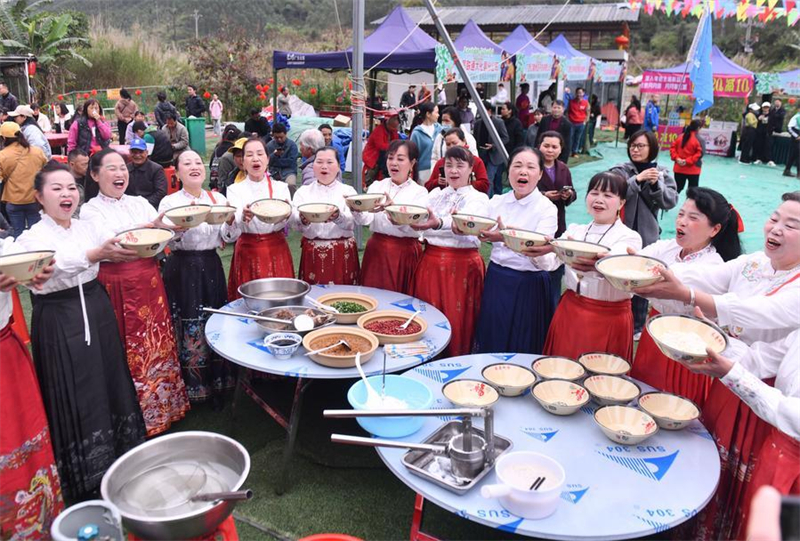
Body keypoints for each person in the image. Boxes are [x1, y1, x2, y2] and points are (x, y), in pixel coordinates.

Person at [632, 191, 800, 541]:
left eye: (792, 225)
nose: (777, 228)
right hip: (727, 378)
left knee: (741, 480)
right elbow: (705, 277)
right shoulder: (753, 262)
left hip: (763, 398)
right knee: (708, 463)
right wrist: (644, 271)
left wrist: (688, 297)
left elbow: (758, 313)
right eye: (775, 218)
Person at [13, 161, 147, 500]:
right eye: (56, 189)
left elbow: (116, 242)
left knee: (109, 378)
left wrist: (150, 229)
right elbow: (50, 266)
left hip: (96, 306)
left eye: (71, 187)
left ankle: (120, 454)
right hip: (59, 317)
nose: (67, 194)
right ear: (38, 197)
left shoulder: (87, 226)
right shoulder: (31, 237)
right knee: (73, 385)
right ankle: (85, 473)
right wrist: (94, 255)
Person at [80, 149, 190, 437]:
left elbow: (160, 231)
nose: (120, 174)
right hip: (116, 282)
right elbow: (110, 240)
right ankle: (133, 412)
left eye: (123, 168)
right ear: (94, 175)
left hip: (150, 279)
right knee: (126, 344)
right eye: (112, 169)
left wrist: (173, 228)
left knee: (157, 339)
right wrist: (148, 227)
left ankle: (166, 404)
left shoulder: (140, 202)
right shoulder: (91, 209)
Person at [676, 329, 799, 541]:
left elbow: (790, 414)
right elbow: (759, 359)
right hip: (775, 452)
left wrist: (731, 374)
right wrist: (709, 337)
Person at [628, 188, 741, 406]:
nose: (682, 222)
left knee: (673, 405)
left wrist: (638, 268)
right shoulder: (668, 247)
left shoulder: (714, 266)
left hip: (687, 346)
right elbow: (636, 259)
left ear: (715, 229)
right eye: (681, 214)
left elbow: (656, 273)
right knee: (642, 395)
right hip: (654, 334)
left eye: (693, 217)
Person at [529, 172, 642, 360]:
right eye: (594, 193)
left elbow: (617, 261)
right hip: (570, 310)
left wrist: (597, 264)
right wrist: (537, 251)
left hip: (609, 318)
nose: (599, 200)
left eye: (608, 195)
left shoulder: (629, 237)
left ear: (621, 203)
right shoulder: (575, 230)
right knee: (562, 371)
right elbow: (550, 262)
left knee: (600, 378)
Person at [159, 150, 240, 405]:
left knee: (214, 318)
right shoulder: (169, 203)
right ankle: (192, 385)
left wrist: (232, 221)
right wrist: (177, 231)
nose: (194, 167)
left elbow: (227, 237)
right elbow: (164, 240)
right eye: (187, 163)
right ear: (178, 172)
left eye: (198, 162)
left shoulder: (217, 198)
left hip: (210, 264)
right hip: (181, 267)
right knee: (187, 320)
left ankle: (220, 380)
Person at [0, 236, 63, 539]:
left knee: (22, 438)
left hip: (5, 353)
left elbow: (19, 256)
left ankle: (34, 518)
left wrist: (34, 269)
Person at [474, 147, 558, 354]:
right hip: (497, 278)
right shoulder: (497, 202)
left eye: (530, 167)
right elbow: (478, 225)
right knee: (493, 333)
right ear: (508, 171)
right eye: (517, 166)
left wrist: (505, 236)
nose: (523, 172)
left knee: (524, 341)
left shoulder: (547, 208)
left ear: (539, 174)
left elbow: (540, 252)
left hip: (529, 284)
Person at [409, 146, 489, 356]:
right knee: (428, 313)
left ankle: (456, 357)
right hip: (430, 262)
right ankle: (425, 358)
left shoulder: (478, 199)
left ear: (471, 168)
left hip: (462, 266)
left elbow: (468, 225)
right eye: (449, 165)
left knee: (458, 316)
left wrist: (438, 224)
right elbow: (418, 216)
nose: (453, 171)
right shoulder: (435, 194)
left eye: (460, 166)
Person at [610, 129, 679, 339]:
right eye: (632, 145)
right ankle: (615, 318)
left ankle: (638, 325)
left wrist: (654, 183)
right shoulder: (620, 170)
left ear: (652, 149)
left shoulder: (663, 173)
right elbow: (614, 193)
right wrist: (637, 180)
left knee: (643, 279)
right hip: (620, 232)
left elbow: (670, 201)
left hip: (647, 235)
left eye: (641, 146)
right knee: (618, 275)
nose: (635, 149)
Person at [354, 140, 427, 294]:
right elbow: (366, 219)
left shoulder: (419, 192)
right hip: (376, 249)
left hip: (404, 253)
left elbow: (416, 226)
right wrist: (356, 210)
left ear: (412, 163)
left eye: (400, 159)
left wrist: (392, 211)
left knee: (400, 298)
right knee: (371, 296)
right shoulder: (377, 186)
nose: (394, 163)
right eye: (390, 158)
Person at [226, 137, 294, 298]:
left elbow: (292, 220)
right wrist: (242, 217)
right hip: (247, 250)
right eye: (249, 155)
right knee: (249, 301)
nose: (255, 158)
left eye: (259, 153)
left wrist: (288, 215)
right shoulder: (234, 189)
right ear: (242, 161)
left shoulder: (281, 188)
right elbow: (233, 221)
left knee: (280, 299)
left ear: (267, 159)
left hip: (276, 248)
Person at [292, 147, 359, 285]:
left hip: (343, 253)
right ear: (313, 166)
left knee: (344, 297)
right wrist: (303, 219)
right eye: (319, 162)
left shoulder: (348, 191)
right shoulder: (303, 192)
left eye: (329, 162)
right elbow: (294, 223)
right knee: (314, 298)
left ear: (338, 166)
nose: (324, 167)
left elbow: (353, 222)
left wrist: (338, 217)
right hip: (313, 253)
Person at [537, 131, 576, 309]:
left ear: (560, 149)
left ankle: (552, 308)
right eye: (546, 145)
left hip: (558, 223)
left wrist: (568, 194)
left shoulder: (563, 169)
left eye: (554, 147)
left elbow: (572, 193)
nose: (550, 150)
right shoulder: (532, 165)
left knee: (555, 267)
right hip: (536, 223)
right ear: (539, 145)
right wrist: (544, 195)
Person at [0, 122, 47, 237]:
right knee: (36, 233)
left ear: (4, 138)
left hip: (14, 200)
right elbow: (45, 168)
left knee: (18, 233)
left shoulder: (3, 155)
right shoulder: (37, 151)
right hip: (34, 199)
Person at [426, 128, 489, 194]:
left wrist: (468, 182)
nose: (451, 146)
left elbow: (485, 186)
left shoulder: (476, 161)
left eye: (454, 143)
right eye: (448, 144)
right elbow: (427, 186)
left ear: (464, 141)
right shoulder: (441, 162)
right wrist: (437, 182)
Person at [473, 100, 510, 196]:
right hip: (482, 154)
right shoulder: (478, 123)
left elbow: (505, 138)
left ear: (489, 111)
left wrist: (493, 145)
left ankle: (489, 198)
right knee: (484, 178)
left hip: (494, 155)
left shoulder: (498, 122)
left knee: (491, 179)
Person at [126, 136, 168, 208]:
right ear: (130, 152)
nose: (137, 155)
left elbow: (161, 192)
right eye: (134, 152)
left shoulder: (156, 169)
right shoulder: (125, 169)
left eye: (141, 152)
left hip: (151, 207)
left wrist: (143, 205)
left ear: (146, 152)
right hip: (129, 207)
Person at [363, 113, 401, 185]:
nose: (394, 130)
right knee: (369, 180)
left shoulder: (393, 131)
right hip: (373, 159)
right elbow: (380, 146)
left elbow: (396, 142)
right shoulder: (378, 130)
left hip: (384, 158)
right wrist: (394, 147)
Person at [410, 102, 442, 184]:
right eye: (436, 112)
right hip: (423, 172)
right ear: (428, 114)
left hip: (439, 169)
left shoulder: (440, 130)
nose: (438, 115)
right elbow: (412, 155)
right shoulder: (416, 133)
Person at [669, 119, 704, 193]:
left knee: (676, 190)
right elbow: (700, 153)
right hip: (693, 170)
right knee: (693, 193)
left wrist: (677, 158)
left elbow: (672, 148)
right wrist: (687, 161)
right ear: (698, 128)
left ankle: (667, 203)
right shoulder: (700, 139)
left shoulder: (680, 136)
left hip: (679, 168)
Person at [266, 122, 298, 189]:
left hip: (289, 172)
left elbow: (291, 162)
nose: (279, 139)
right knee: (268, 185)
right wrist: (274, 155)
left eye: (281, 137)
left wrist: (276, 162)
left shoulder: (292, 145)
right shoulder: (269, 145)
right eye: (276, 137)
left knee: (291, 185)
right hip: (273, 172)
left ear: (286, 134)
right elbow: (267, 161)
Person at [210, 124, 241, 190]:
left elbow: (210, 165)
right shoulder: (232, 152)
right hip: (224, 186)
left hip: (213, 182)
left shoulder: (218, 147)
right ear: (236, 140)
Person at [567, 87, 589, 157]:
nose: (579, 94)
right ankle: (568, 151)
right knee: (570, 138)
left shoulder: (586, 103)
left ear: (583, 93)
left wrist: (585, 121)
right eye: (578, 93)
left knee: (577, 138)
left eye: (581, 93)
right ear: (576, 93)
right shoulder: (571, 102)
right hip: (572, 123)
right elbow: (567, 112)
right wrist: (568, 120)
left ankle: (575, 152)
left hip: (581, 123)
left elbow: (588, 113)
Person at [784, 108, 800, 179]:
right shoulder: (796, 117)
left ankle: (787, 170)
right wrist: (796, 136)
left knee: (793, 155)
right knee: (798, 155)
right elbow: (789, 127)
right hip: (796, 138)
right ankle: (799, 173)